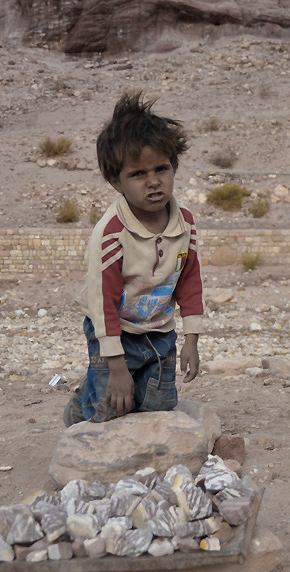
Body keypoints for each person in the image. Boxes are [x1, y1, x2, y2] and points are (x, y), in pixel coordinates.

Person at [63, 92, 204, 426]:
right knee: (109, 408)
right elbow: (103, 303)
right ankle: (80, 405)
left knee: (158, 407)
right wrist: (115, 365)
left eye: (161, 169)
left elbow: (190, 282)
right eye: (138, 174)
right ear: (116, 181)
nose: (153, 181)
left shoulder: (185, 223)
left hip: (159, 330)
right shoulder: (111, 233)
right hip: (116, 331)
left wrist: (192, 340)